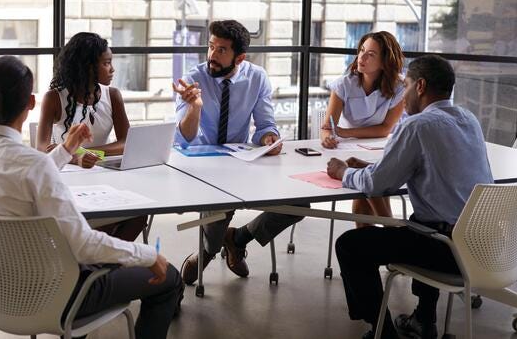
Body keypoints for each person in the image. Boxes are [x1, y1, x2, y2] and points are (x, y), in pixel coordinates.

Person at [0, 56, 183, 339]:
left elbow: (28, 175)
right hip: (58, 295)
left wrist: (66, 150)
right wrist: (149, 255)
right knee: (169, 278)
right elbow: (83, 246)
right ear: (31, 103)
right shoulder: (33, 165)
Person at [326, 55, 493, 339]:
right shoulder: (468, 119)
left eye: (406, 85)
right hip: (484, 243)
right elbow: (436, 167)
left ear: (421, 86)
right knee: (422, 222)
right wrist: (380, 166)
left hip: (449, 250)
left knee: (350, 246)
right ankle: (423, 320)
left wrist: (342, 172)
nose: (403, 94)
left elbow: (376, 185)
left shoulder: (417, 125)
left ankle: (383, 332)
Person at [172, 20, 308, 284]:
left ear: (240, 57)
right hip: (201, 164)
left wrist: (270, 138)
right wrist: (195, 107)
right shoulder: (192, 79)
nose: (212, 55)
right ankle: (207, 253)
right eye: (211, 47)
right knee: (218, 208)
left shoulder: (256, 77)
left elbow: (266, 125)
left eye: (221, 50)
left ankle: (239, 237)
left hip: (240, 160)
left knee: (298, 204)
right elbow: (185, 138)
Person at [38, 32, 147, 242]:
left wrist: (90, 153)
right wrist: (76, 156)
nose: (112, 69)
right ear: (87, 66)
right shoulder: (53, 98)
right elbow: (42, 149)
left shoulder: (112, 95)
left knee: (140, 214)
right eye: (106, 63)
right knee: (103, 218)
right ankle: (96, 262)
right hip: (67, 179)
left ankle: (100, 265)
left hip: (102, 176)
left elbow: (126, 143)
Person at [321, 31, 405, 228]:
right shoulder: (344, 84)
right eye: (361, 51)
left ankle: (387, 232)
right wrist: (327, 137)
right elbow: (327, 127)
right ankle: (390, 230)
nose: (362, 57)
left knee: (367, 179)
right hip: (350, 149)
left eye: (371, 54)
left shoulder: (399, 86)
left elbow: (384, 129)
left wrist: (344, 133)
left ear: (385, 61)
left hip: (381, 147)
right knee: (365, 185)